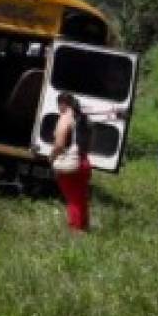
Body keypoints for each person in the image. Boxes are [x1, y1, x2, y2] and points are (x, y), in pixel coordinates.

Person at [50, 92, 92, 232]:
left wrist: (52, 157)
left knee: (73, 200)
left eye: (58, 105)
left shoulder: (65, 118)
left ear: (63, 104)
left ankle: (76, 232)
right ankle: (84, 229)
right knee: (81, 199)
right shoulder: (83, 119)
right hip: (84, 162)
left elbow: (60, 144)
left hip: (71, 165)